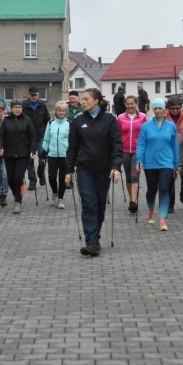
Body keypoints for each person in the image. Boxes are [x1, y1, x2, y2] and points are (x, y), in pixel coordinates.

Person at [65, 88, 123, 256]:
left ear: (97, 101)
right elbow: (72, 147)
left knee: (99, 205)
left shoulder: (109, 119)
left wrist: (116, 167)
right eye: (82, 99)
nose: (83, 102)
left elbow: (117, 145)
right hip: (84, 169)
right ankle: (91, 242)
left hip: (104, 169)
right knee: (89, 204)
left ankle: (95, 238)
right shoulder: (78, 120)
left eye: (86, 99)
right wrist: (69, 170)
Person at [136, 97, 179, 231]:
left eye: (160, 108)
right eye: (155, 108)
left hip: (167, 163)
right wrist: (139, 160)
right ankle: (150, 211)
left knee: (164, 189)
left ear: (165, 110)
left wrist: (176, 165)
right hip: (150, 163)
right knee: (152, 190)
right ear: (152, 110)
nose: (158, 110)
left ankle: (162, 219)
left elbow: (175, 147)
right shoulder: (146, 126)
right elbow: (141, 145)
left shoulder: (171, 126)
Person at [0, 100, 37, 214]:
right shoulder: (6, 121)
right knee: (10, 178)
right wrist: (0, 147)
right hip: (9, 154)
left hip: (23, 154)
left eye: (19, 107)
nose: (17, 109)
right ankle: (17, 194)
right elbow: (0, 137)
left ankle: (17, 202)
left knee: (18, 177)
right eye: (15, 107)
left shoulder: (27, 120)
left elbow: (33, 137)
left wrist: (33, 150)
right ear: (11, 109)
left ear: (22, 108)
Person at [118, 95, 147, 214]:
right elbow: (118, 134)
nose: (130, 106)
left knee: (135, 175)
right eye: (128, 104)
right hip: (124, 150)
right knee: (128, 176)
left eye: (132, 103)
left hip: (137, 151)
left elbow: (146, 134)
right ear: (125, 104)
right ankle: (132, 200)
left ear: (136, 104)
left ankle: (134, 201)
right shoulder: (120, 117)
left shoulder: (143, 117)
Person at [164, 96, 183, 213]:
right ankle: (170, 202)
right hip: (168, 151)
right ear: (168, 108)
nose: (175, 110)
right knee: (170, 178)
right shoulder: (164, 117)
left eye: (178, 108)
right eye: (173, 108)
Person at [22, 86, 51, 189]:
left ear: (38, 95)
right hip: (28, 137)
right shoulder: (24, 106)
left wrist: (48, 134)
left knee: (43, 155)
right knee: (30, 160)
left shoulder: (43, 105)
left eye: (36, 95)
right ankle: (32, 181)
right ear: (29, 95)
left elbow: (47, 120)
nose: (34, 97)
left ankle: (41, 173)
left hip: (41, 135)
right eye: (32, 95)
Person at [42, 101, 70, 208]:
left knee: (62, 178)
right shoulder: (50, 123)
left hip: (64, 155)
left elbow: (72, 141)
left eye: (63, 110)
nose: (61, 112)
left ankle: (60, 199)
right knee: (52, 177)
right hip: (52, 154)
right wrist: (43, 152)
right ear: (56, 111)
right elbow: (46, 139)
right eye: (59, 110)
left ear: (66, 112)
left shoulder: (69, 124)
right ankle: (54, 192)